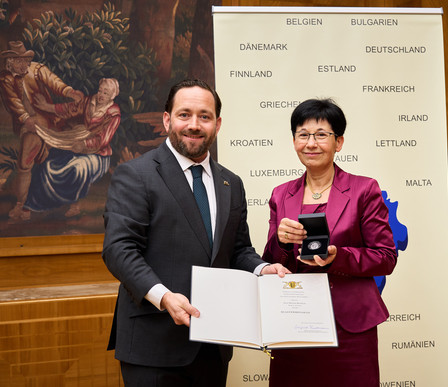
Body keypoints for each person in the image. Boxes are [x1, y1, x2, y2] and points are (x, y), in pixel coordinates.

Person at [102, 78, 290, 387]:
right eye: (184, 114)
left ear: (217, 124)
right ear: (167, 120)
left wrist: (262, 268)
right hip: (154, 346)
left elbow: (238, 249)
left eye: (204, 116)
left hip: (213, 346)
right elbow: (119, 249)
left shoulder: (232, 183)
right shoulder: (136, 175)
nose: (194, 124)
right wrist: (163, 297)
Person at [262, 98, 398, 386]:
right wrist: (282, 242)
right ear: (294, 140)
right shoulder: (280, 194)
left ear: (339, 142)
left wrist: (340, 256)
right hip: (294, 322)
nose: (311, 143)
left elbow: (386, 256)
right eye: (303, 134)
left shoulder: (364, 189)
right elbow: (272, 263)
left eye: (321, 134)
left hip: (348, 328)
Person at [0, 40, 83, 220]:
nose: (25, 64)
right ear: (10, 62)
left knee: (62, 157)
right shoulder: (6, 79)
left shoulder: (37, 69)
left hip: (50, 121)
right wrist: (25, 119)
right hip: (29, 125)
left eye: (26, 60)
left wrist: (70, 92)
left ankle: (72, 202)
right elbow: (14, 104)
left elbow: (54, 82)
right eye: (20, 61)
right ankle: (22, 206)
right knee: (26, 163)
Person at [27, 77, 121, 216]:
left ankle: (74, 204)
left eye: (106, 93)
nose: (101, 95)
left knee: (77, 168)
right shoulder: (90, 100)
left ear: (113, 96)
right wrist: (47, 107)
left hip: (97, 154)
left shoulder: (113, 114)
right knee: (49, 161)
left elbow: (103, 140)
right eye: (100, 91)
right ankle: (38, 203)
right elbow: (70, 108)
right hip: (76, 141)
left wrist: (84, 144)